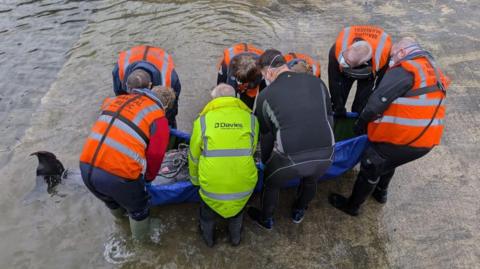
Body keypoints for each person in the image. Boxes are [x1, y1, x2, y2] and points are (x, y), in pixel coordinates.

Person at [329, 37, 450, 216]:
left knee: (372, 163)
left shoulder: (404, 69)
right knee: (390, 160)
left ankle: (352, 206)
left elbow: (376, 102)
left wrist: (360, 124)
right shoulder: (430, 69)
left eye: (393, 55)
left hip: (406, 138)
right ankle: (381, 192)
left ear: (402, 53)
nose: (391, 60)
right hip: (427, 140)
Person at [79, 72, 176, 241]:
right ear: (166, 106)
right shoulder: (158, 117)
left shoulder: (114, 100)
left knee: (111, 200)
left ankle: (120, 225)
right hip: (119, 176)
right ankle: (141, 246)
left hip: (86, 167)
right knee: (139, 210)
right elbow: (155, 155)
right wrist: (148, 179)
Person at [247, 49, 335, 229]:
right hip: (326, 155)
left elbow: (266, 135)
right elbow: (329, 116)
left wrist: (265, 162)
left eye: (263, 75)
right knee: (311, 180)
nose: (265, 79)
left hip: (290, 160)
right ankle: (298, 211)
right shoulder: (317, 82)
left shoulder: (266, 96)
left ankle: (267, 219)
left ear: (269, 72)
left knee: (271, 182)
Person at [188, 83, 259, 247]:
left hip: (212, 186)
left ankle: (208, 239)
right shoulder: (252, 120)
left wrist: (195, 181)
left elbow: (193, 156)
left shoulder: (202, 121)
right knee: (237, 211)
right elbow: (252, 149)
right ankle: (235, 238)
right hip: (243, 186)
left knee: (207, 213)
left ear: (214, 99)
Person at [328, 25, 392, 115]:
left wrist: (366, 111)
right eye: (345, 61)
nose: (343, 63)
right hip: (354, 63)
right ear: (348, 49)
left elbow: (379, 85)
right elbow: (334, 81)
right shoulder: (337, 49)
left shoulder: (382, 55)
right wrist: (338, 105)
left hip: (369, 71)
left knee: (362, 103)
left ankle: (358, 115)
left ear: (364, 63)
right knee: (340, 96)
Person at [112, 45, 181, 127]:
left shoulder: (169, 80)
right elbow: (120, 98)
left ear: (150, 86)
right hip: (135, 55)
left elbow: (170, 111)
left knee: (167, 120)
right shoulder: (119, 71)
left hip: (159, 59)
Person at [217, 43, 265, 109]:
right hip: (229, 61)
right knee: (222, 92)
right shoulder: (228, 60)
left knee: (248, 102)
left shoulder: (263, 68)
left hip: (256, 69)